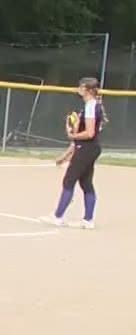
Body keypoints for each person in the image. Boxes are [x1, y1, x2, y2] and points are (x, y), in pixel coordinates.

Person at [41, 77, 107, 229]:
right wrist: (66, 154)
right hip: (90, 148)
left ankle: (58, 217)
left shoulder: (91, 106)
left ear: (89, 90)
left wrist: (73, 135)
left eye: (82, 86)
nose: (79, 88)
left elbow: (89, 133)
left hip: (87, 148)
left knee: (69, 181)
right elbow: (85, 137)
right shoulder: (92, 106)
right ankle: (88, 220)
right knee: (86, 183)